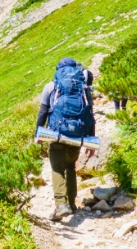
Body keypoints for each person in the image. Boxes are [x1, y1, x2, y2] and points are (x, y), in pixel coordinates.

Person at [35, 57, 96, 221]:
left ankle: (61, 205)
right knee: (70, 167)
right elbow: (90, 115)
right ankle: (72, 204)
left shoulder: (51, 86)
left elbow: (43, 113)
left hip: (57, 135)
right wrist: (91, 140)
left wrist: (38, 134)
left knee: (57, 168)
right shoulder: (84, 88)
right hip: (77, 134)